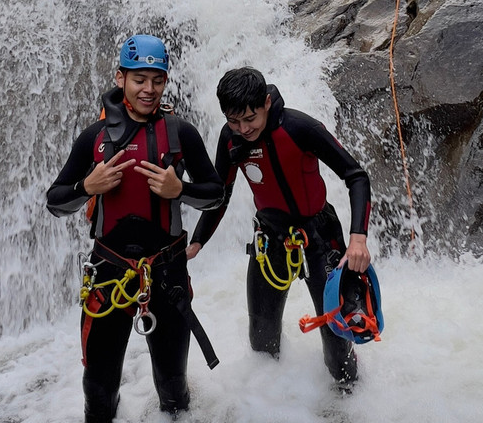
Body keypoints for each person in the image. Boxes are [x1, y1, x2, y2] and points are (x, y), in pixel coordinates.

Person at [46, 34, 224, 423]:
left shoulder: (181, 134)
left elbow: (214, 193)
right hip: (109, 273)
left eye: (157, 80)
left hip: (167, 273)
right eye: (140, 79)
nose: (149, 89)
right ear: (121, 77)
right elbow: (55, 200)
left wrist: (183, 190)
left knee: (174, 387)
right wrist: (85, 188)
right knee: (98, 390)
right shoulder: (94, 138)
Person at [185, 67, 372, 388]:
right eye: (234, 121)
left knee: (337, 348)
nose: (243, 129)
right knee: (261, 340)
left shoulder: (301, 128)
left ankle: (350, 402)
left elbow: (356, 176)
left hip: (320, 237)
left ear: (267, 103)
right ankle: (270, 404)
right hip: (269, 239)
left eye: (250, 119)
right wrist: (197, 242)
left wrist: (358, 239)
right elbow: (220, 195)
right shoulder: (231, 138)